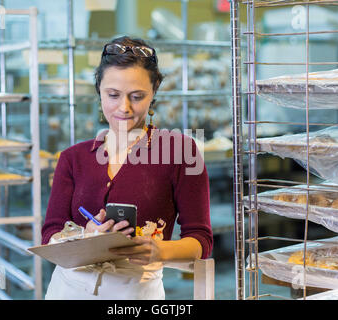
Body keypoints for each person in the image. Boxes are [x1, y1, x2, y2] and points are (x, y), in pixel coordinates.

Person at [42, 36, 213, 300]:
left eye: (137, 96)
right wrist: (86, 236)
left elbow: (201, 240)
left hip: (134, 293)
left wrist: (159, 251)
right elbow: (50, 234)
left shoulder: (180, 152)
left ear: (154, 91)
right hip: (68, 290)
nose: (124, 108)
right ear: (98, 88)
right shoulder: (72, 158)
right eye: (113, 95)